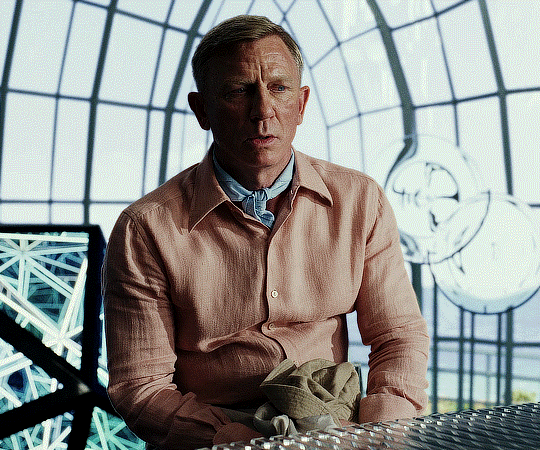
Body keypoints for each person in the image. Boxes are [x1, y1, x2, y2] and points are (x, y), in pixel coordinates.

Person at [102, 15, 429, 450]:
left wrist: (380, 430)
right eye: (238, 91)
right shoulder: (145, 228)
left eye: (278, 88)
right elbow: (141, 387)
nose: (262, 111)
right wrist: (233, 440)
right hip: (214, 433)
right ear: (202, 110)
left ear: (301, 104)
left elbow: (398, 336)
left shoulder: (360, 200)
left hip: (337, 427)